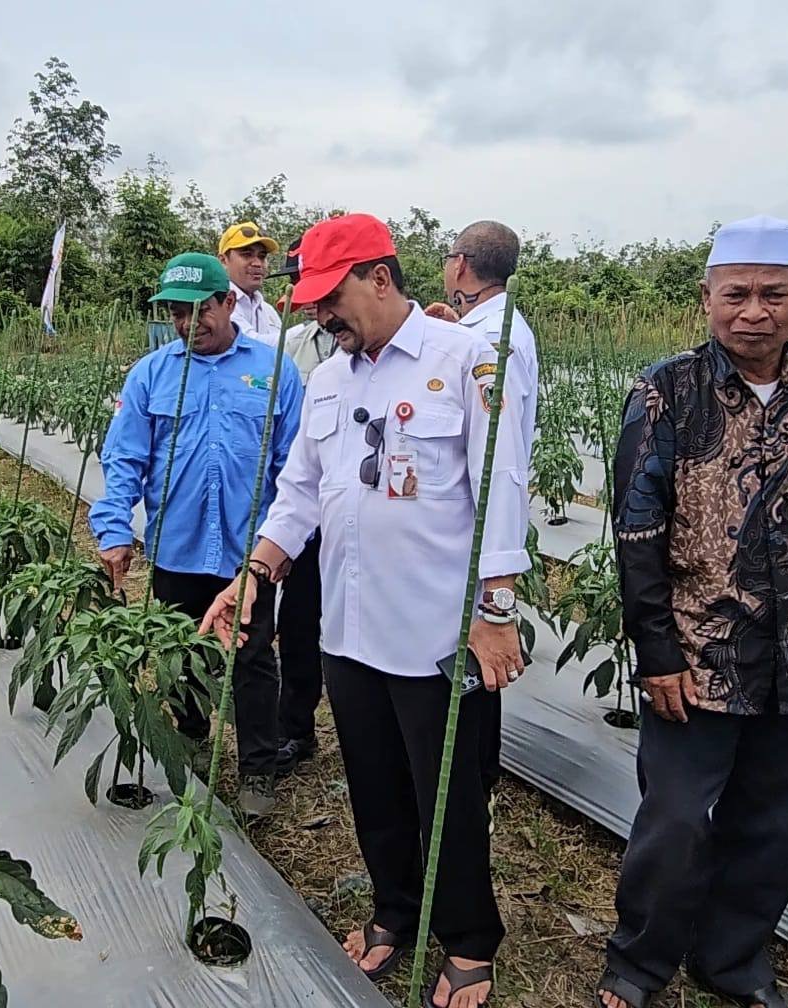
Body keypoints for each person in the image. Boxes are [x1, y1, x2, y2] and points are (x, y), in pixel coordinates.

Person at [200, 214, 533, 1008]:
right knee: (373, 784)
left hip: (433, 633)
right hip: (347, 629)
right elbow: (300, 492)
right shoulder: (327, 378)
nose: (321, 316)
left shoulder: (466, 359)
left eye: (331, 297)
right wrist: (258, 571)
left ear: (380, 277)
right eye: (311, 303)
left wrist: (494, 610)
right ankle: (392, 911)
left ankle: (467, 939)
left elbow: (504, 488)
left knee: (444, 789)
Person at [598, 216, 788, 1008]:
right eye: (735, 293)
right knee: (674, 821)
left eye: (774, 293)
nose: (753, 310)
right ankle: (638, 961)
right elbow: (637, 532)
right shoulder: (664, 391)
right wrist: (655, 652)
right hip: (697, 654)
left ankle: (733, 958)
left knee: (777, 825)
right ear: (705, 298)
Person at [89, 252, 303, 818]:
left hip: (247, 550)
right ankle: (191, 740)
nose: (188, 325)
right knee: (181, 653)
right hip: (176, 544)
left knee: (252, 657)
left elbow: (295, 465)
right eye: (177, 315)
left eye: (199, 311)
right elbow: (125, 459)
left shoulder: (275, 369)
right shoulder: (152, 374)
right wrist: (114, 529)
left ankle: (257, 770)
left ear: (229, 302)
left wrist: (281, 544)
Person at [427, 220, 539, 826]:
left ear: (461, 264)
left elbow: (498, 458)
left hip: (473, 531)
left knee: (469, 667)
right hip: (477, 529)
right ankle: (476, 776)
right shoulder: (496, 327)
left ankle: (474, 784)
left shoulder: (490, 341)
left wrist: (499, 588)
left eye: (448, 258)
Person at [270, 238, 337, 775]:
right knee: (297, 621)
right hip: (306, 505)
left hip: (358, 511)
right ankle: (296, 726)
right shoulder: (289, 345)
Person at [218, 221, 281, 346]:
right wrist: (307, 331)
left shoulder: (268, 311)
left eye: (262, 256)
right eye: (247, 255)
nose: (257, 263)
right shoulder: (219, 305)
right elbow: (252, 345)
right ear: (223, 260)